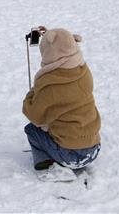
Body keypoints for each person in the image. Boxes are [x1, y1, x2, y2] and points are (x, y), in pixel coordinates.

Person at [22, 27, 101, 181]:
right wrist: (49, 36)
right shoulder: (83, 70)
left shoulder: (51, 83)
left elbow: (34, 115)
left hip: (70, 155)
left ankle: (50, 166)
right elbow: (61, 46)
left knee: (32, 129)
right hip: (94, 148)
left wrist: (34, 91)